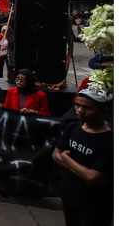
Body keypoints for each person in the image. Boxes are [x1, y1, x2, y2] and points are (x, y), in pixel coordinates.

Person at [53, 88, 114, 226]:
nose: (80, 110)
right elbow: (56, 155)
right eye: (77, 105)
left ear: (104, 111)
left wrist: (67, 158)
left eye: (87, 107)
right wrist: (83, 172)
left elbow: (93, 178)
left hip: (95, 204)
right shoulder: (73, 127)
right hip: (69, 194)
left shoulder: (109, 141)